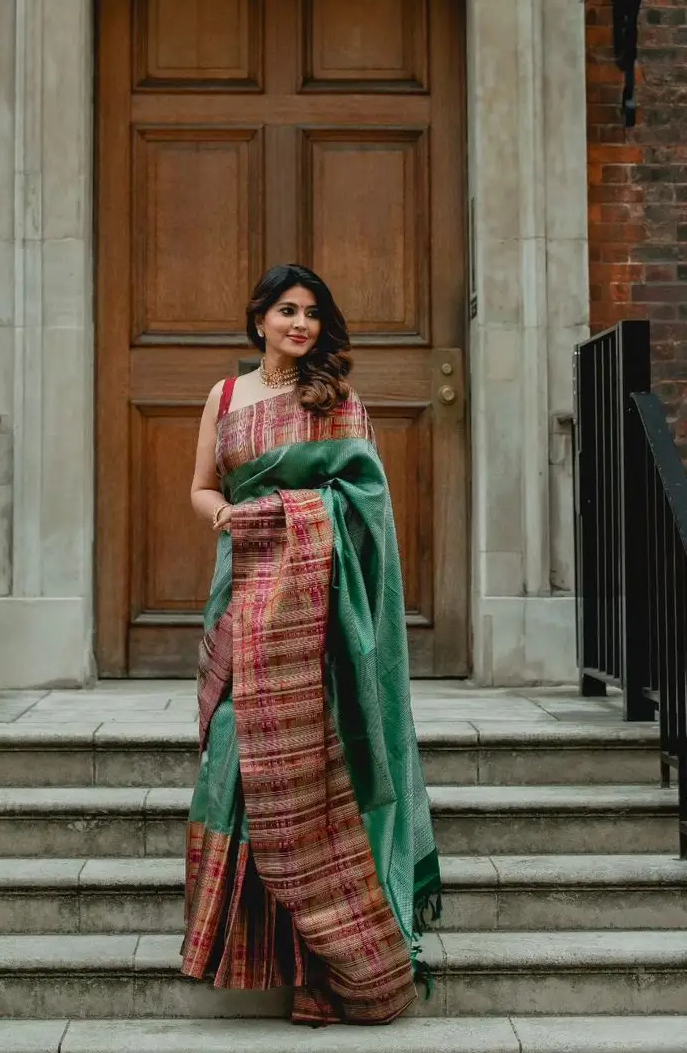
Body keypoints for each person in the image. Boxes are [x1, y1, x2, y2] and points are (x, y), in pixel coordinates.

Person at [182, 263, 442, 1026]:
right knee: (239, 755)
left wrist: (290, 516)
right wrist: (231, 520)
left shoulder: (337, 402)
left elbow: (367, 504)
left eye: (313, 314)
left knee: (315, 775)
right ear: (258, 317)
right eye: (287, 310)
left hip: (323, 613)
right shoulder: (225, 397)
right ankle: (260, 952)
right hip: (245, 600)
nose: (301, 323)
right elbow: (203, 486)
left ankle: (328, 972)